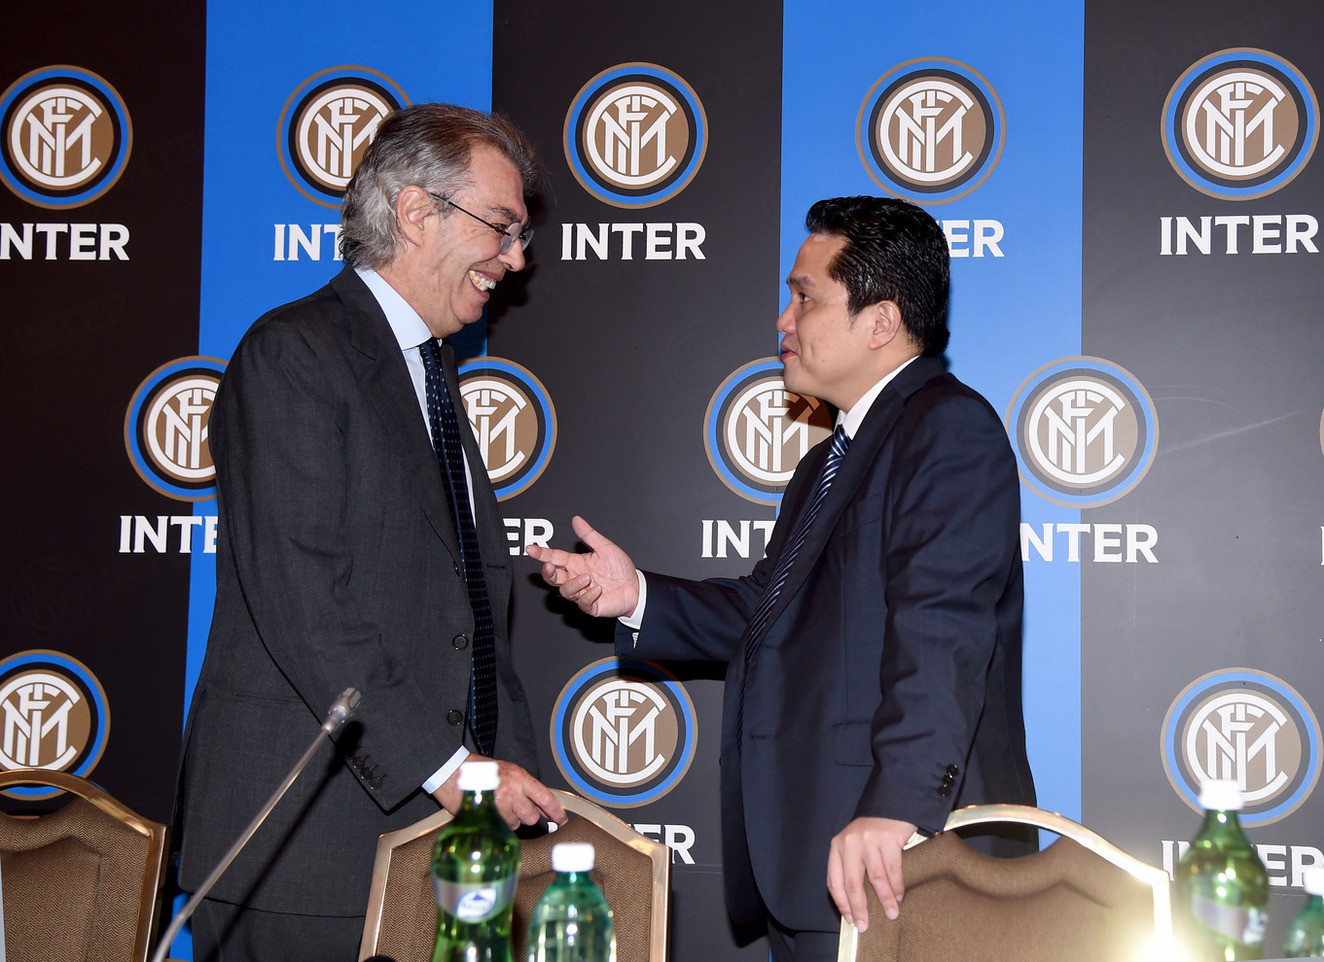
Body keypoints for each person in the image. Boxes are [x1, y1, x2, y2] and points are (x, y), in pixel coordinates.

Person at [528, 196, 1036, 962]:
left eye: (804, 297)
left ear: (881, 321)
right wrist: (637, 596)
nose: (782, 319)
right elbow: (769, 611)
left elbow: (944, 633)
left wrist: (896, 810)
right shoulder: (827, 461)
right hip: (820, 861)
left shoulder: (946, 429)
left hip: (902, 864)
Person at [176, 103, 565, 962]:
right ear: (417, 212)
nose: (515, 257)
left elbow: (469, 620)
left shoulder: (430, 373)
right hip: (303, 849)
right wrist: (451, 772)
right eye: (501, 227)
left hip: (438, 842)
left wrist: (505, 783)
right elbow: (305, 600)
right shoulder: (295, 353)